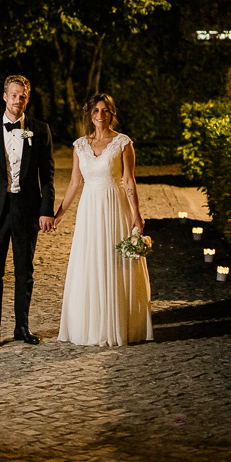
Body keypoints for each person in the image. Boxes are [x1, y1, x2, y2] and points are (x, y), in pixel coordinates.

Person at [54, 93, 153, 346]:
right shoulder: (80, 145)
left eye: (105, 110)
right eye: (96, 110)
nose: (100, 115)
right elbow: (75, 183)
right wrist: (60, 214)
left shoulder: (123, 143)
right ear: (90, 114)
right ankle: (91, 324)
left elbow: (129, 180)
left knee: (115, 262)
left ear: (112, 113)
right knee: (90, 261)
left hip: (114, 207)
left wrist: (136, 214)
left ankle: (120, 322)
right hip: (89, 210)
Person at [0, 75, 56, 349]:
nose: (17, 100)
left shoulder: (39, 130)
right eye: (13, 95)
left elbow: (48, 175)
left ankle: (22, 327)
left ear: (27, 99)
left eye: (22, 96)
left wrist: (47, 210)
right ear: (5, 97)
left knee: (25, 271)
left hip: (27, 210)